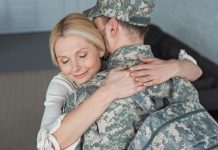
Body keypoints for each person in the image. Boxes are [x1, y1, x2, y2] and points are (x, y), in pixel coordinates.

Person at [37, 2, 203, 150]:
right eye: (65, 60)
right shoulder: (178, 77)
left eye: (95, 26)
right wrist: (177, 66)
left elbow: (50, 145)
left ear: (112, 28)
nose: (93, 33)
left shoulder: (84, 97)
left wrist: (106, 91)